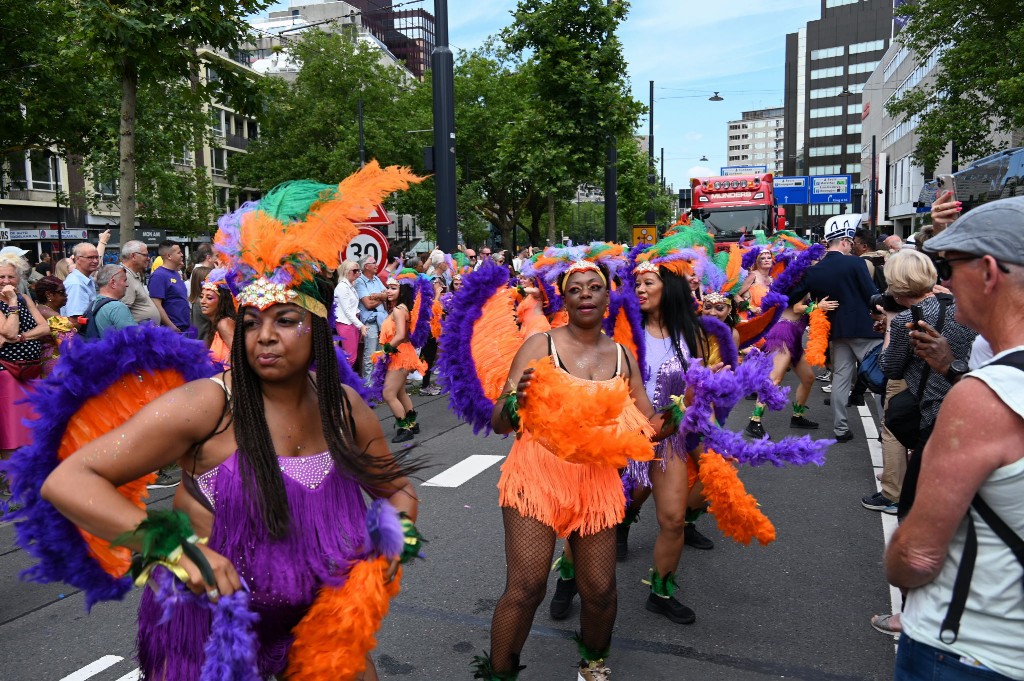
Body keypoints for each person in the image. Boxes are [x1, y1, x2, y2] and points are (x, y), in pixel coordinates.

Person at [36, 166, 423, 680]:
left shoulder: (343, 407)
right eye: (251, 322)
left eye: (286, 320)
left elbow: (396, 490)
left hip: (318, 627)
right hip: (213, 639)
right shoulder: (207, 405)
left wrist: (395, 540)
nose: (265, 336)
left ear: (318, 328)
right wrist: (177, 551)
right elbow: (68, 480)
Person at [479, 251, 665, 681]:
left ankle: (593, 668)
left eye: (594, 287)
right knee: (526, 589)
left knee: (599, 591)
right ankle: (499, 676)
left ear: (608, 297)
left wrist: (679, 413)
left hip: (596, 482)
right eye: (575, 289)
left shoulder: (622, 357)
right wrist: (514, 400)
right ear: (563, 299)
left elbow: (647, 427)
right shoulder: (539, 345)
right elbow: (499, 422)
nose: (585, 294)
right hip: (537, 475)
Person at [885, 196, 1024, 681]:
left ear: (988, 273)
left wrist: (897, 564)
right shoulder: (991, 364)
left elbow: (916, 556)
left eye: (949, 265)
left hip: (963, 649)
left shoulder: (983, 399)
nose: (941, 281)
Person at [793, 215, 881, 442]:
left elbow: (791, 297)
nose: (852, 246)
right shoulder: (856, 263)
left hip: (837, 331)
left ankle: (841, 428)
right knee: (881, 376)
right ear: (843, 240)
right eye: (850, 243)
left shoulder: (815, 270)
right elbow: (871, 295)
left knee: (840, 379)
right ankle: (885, 429)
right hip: (864, 328)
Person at [0, 252, 48, 469]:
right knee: (10, 426)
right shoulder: (11, 301)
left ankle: (29, 470)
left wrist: (21, 337)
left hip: (31, 370)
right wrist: (11, 303)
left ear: (18, 278)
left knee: (30, 422)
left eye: (11, 277)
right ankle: (11, 476)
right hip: (8, 372)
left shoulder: (24, 298)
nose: (6, 281)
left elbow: (45, 327)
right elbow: (9, 331)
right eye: (1, 277)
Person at [32, 275, 76, 375]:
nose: (66, 295)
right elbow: (69, 347)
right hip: (58, 367)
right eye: (62, 292)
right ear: (49, 295)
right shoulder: (54, 318)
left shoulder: (37, 310)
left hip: (43, 364)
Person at [355, 255, 388, 380]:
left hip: (382, 320)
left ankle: (377, 383)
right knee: (370, 354)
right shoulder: (359, 282)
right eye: (373, 263)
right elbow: (368, 304)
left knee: (381, 354)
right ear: (366, 267)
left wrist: (377, 296)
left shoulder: (376, 279)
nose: (376, 265)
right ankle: (368, 385)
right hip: (371, 321)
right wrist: (382, 297)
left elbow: (387, 295)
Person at [85, 264, 137, 338]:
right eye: (124, 280)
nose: (127, 285)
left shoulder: (93, 304)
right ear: (113, 283)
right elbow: (133, 338)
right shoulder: (117, 308)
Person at [148, 241, 190, 332]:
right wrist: (172, 328)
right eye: (179, 252)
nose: (182, 255)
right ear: (169, 256)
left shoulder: (176, 273)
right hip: (171, 333)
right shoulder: (159, 276)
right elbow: (157, 305)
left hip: (184, 329)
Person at [119, 241, 162, 326]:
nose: (148, 258)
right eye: (145, 255)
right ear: (133, 256)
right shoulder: (125, 276)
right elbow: (123, 310)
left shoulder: (133, 274)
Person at [198, 269, 235, 365]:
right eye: (201, 296)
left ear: (222, 301)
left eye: (209, 298)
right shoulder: (215, 323)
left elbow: (240, 355)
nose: (202, 301)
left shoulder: (224, 323)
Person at [334, 259, 366, 368]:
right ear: (346, 271)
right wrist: (360, 325)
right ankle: (341, 382)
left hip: (351, 323)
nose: (358, 273)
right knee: (350, 358)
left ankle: (343, 382)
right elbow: (347, 311)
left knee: (352, 356)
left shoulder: (349, 286)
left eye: (359, 271)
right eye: (355, 271)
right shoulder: (343, 287)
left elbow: (352, 309)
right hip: (346, 324)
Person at [61, 242, 100, 321]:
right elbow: (75, 320)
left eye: (97, 257)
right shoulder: (76, 284)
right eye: (90, 257)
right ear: (77, 259)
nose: (95, 261)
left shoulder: (87, 280)